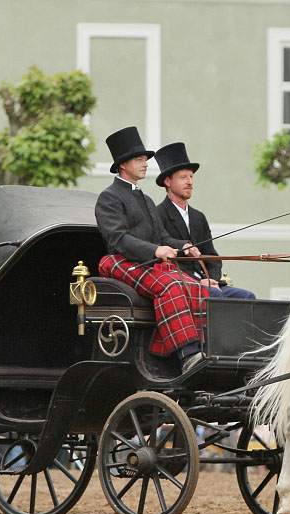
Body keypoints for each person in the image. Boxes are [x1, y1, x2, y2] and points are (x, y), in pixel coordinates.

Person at [94, 126, 209, 374]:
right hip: (121, 261)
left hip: (146, 262)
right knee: (171, 285)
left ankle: (187, 349)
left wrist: (182, 246)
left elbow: (162, 236)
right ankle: (187, 354)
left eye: (145, 160)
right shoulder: (109, 197)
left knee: (197, 286)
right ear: (123, 165)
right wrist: (155, 251)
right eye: (140, 160)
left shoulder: (145, 199)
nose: (146, 164)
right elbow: (117, 239)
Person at [153, 142, 255, 299]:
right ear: (168, 181)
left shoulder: (198, 217)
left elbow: (212, 257)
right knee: (215, 296)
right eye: (183, 177)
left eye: (191, 177)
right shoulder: (158, 214)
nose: (190, 182)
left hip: (207, 282)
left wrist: (212, 280)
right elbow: (164, 256)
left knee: (247, 297)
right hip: (182, 284)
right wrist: (199, 282)